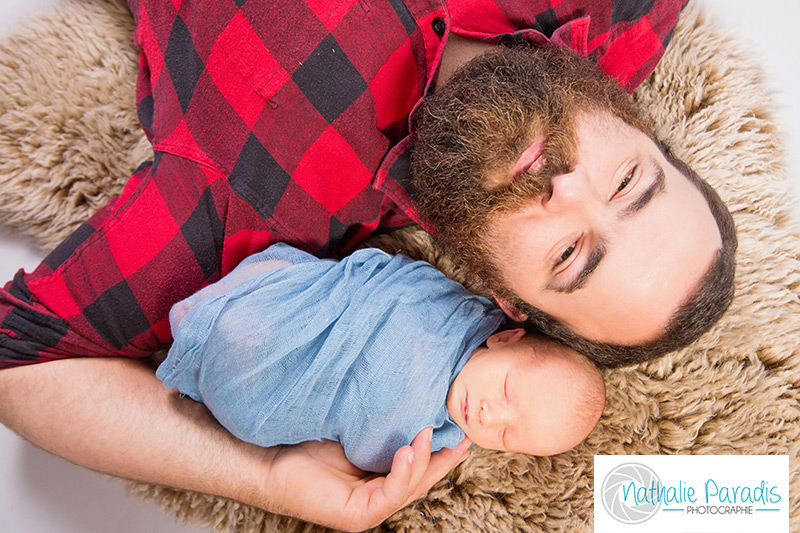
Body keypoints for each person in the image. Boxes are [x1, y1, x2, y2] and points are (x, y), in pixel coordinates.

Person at [0, 0, 733, 530]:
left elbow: (19, 363)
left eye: (570, 253)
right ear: (639, 125)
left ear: (496, 293)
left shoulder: (248, 197)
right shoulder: (627, 14)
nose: (566, 186)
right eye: (630, 183)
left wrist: (265, 479)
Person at [157, 243, 605, 472]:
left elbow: (368, 448)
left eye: (506, 435)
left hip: (281, 396)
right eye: (505, 390)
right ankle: (221, 321)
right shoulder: (460, 313)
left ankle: (215, 348)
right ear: (505, 341)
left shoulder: (437, 439)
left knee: (250, 397)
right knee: (257, 322)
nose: (489, 415)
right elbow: (395, 279)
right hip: (321, 313)